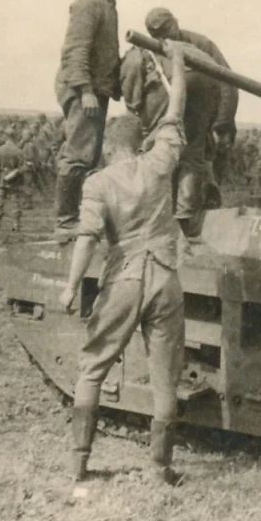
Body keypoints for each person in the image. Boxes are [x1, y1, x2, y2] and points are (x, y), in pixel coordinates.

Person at [59, 39, 190, 486]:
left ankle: (79, 463)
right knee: (164, 377)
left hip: (125, 280)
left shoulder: (99, 183)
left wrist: (70, 287)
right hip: (166, 279)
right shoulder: (158, 165)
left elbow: (87, 239)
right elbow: (175, 113)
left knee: (93, 366)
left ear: (109, 149)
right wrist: (178, 68)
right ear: (138, 144)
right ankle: (159, 468)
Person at [120, 7, 232, 241]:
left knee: (160, 154)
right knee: (192, 154)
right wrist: (219, 122)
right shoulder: (197, 46)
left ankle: (157, 216)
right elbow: (226, 81)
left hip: (172, 90)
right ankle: (186, 220)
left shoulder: (138, 53)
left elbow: (132, 96)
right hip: (206, 87)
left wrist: (140, 117)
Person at [53, 0, 130, 239]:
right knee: (79, 152)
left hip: (95, 88)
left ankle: (77, 217)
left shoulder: (106, 2)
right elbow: (75, 51)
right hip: (82, 87)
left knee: (89, 152)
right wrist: (85, 90)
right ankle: (66, 221)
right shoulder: (90, 2)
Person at [0, 129, 28, 232]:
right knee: (15, 203)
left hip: (2, 180)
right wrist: (16, 173)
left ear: (5, 136)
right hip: (14, 181)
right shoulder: (18, 151)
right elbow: (24, 167)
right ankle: (16, 226)